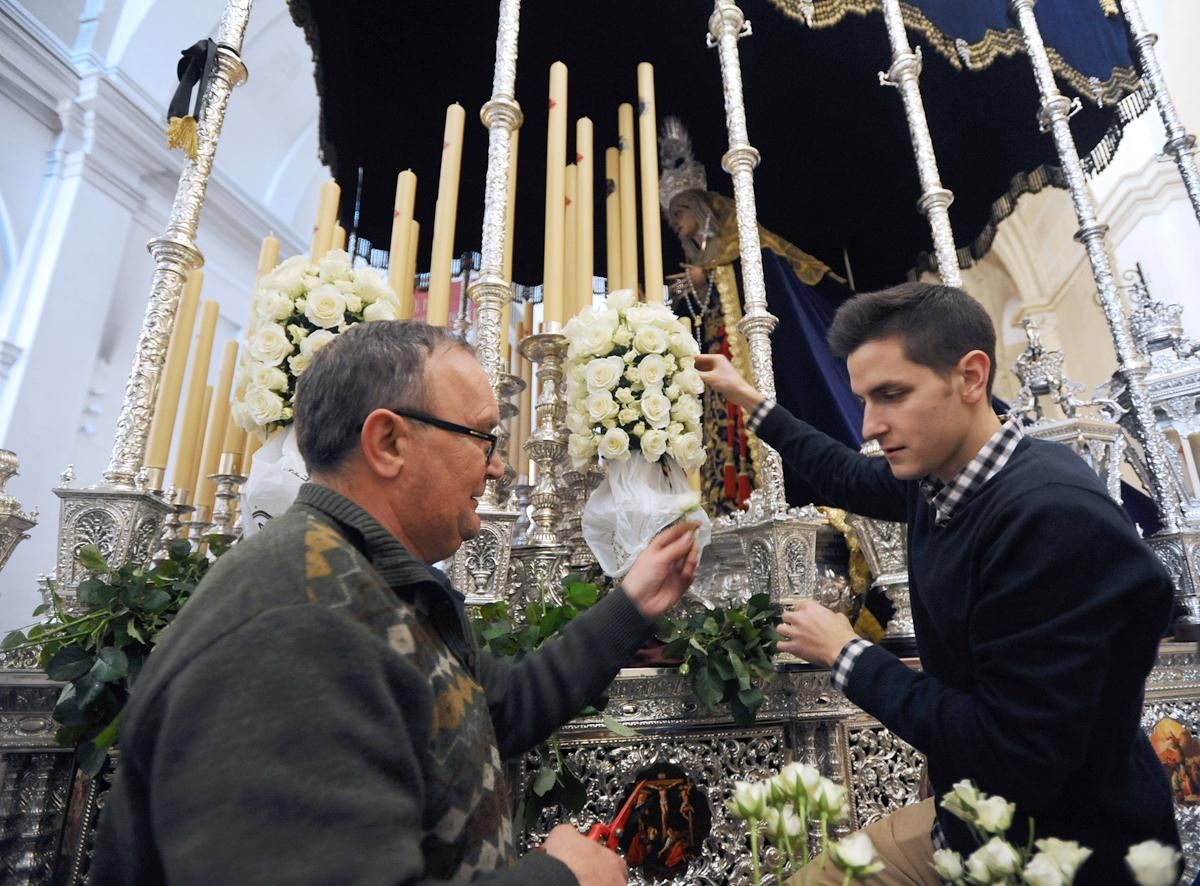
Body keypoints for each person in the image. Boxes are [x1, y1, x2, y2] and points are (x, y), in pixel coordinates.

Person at [91, 321, 700, 886]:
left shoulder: (372, 579)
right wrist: (562, 878)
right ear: (387, 442)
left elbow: (500, 710)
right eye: (482, 436)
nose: (498, 468)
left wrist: (632, 602)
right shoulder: (295, 626)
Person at [695, 282, 1179, 884]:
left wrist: (846, 654)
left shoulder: (1048, 518)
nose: (870, 426)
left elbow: (1013, 753)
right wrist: (747, 397)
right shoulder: (940, 478)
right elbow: (842, 473)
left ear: (972, 377)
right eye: (864, 400)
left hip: (1062, 852)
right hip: (972, 824)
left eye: (892, 395)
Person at [663, 181, 861, 515]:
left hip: (748, 356)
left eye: (680, 213)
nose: (676, 223)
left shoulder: (739, 247)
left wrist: (709, 275)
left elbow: (757, 274)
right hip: (720, 356)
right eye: (672, 219)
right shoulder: (700, 258)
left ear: (699, 209)